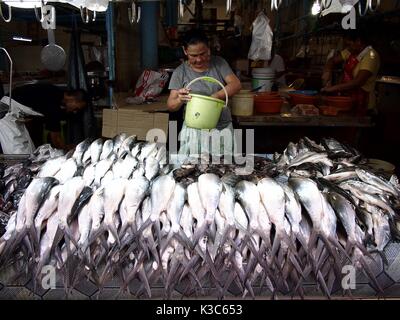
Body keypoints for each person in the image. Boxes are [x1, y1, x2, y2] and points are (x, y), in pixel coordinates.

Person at [167, 29, 242, 157]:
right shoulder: (180, 72)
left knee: (224, 167)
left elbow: (236, 84)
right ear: (185, 51)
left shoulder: (219, 63)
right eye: (193, 56)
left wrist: (215, 97)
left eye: (203, 53)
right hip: (194, 129)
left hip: (221, 127)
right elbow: (171, 105)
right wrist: (180, 99)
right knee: (191, 169)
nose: (199, 59)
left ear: (209, 48)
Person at [10, 82, 94, 150]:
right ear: (72, 99)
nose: (75, 111)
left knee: (29, 151)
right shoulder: (53, 103)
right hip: (6, 114)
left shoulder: (56, 93)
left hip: (16, 117)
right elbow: (56, 140)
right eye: (76, 108)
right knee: (17, 151)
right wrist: (69, 149)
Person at [321, 29, 380, 115]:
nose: (347, 47)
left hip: (364, 104)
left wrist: (332, 88)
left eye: (349, 44)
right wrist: (327, 72)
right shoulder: (351, 51)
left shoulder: (371, 56)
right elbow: (332, 61)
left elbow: (358, 82)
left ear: (358, 41)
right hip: (349, 100)